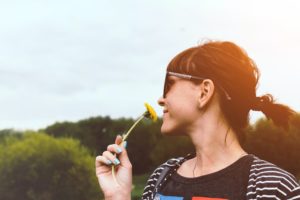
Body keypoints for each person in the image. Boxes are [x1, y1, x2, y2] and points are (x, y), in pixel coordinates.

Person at [95, 41, 300, 200]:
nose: (160, 99)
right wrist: (118, 196)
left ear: (204, 92)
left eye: (169, 85)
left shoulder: (273, 188)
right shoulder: (161, 177)